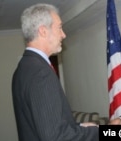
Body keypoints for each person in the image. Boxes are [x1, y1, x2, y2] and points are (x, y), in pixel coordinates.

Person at [12, 3, 99, 141]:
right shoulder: (40, 73)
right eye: (59, 27)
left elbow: (45, 125)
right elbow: (56, 137)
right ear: (43, 31)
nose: (63, 35)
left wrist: (80, 126)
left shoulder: (24, 68)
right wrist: (96, 131)